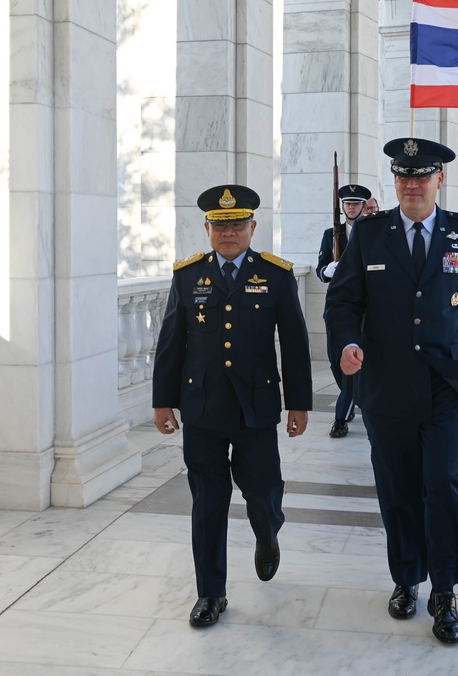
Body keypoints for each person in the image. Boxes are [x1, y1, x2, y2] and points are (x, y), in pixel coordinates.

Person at [325, 137, 458, 645]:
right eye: (403, 177)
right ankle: (407, 577)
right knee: (397, 487)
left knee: (443, 485)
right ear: (395, 182)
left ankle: (445, 590)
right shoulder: (369, 235)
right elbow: (342, 303)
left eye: (421, 176)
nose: (411, 184)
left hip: (449, 383)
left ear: (439, 181)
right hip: (387, 384)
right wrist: (346, 342)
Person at [152, 184, 312, 629]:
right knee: (208, 502)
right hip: (201, 407)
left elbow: (294, 344)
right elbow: (170, 342)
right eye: (220, 225)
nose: (229, 233)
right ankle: (210, 593)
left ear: (252, 228)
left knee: (262, 493)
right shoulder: (187, 276)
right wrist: (163, 400)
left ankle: (267, 533)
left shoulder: (276, 275)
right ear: (207, 228)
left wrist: (298, 403)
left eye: (238, 224)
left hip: (255, 408)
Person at [317, 183, 372, 438]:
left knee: (351, 362)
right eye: (348, 203)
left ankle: (341, 416)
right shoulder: (331, 234)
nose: (351, 207)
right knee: (334, 360)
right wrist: (329, 270)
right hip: (336, 307)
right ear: (343, 207)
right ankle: (349, 396)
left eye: (356, 203)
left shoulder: (372, 231)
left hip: (364, 308)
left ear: (363, 206)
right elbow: (320, 269)